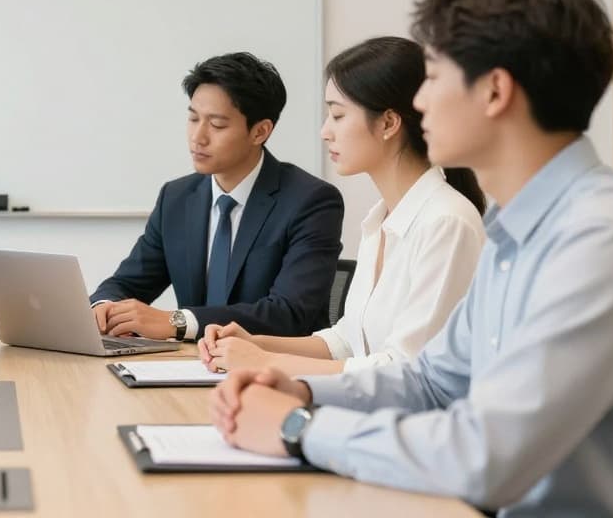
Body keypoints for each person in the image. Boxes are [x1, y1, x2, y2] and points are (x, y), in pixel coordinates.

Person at [211, 0, 613, 516]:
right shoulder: (514, 232)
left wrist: (300, 427)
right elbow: (430, 381)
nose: (418, 103)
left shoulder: (603, 240)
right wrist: (302, 389)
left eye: (434, 77)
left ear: (495, 92)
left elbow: (487, 458)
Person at [200, 37, 485, 375]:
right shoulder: (380, 220)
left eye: (337, 115)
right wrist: (256, 343)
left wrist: (266, 362)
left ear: (388, 123)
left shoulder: (446, 222)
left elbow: (407, 371)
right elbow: (347, 341)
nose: (325, 132)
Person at [88, 52, 344, 340]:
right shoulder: (176, 197)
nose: (198, 137)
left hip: (273, 372)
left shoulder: (311, 201)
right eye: (193, 118)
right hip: (188, 368)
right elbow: (127, 283)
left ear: (260, 131)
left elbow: (288, 313)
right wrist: (104, 306)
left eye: (217, 125)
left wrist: (178, 321)